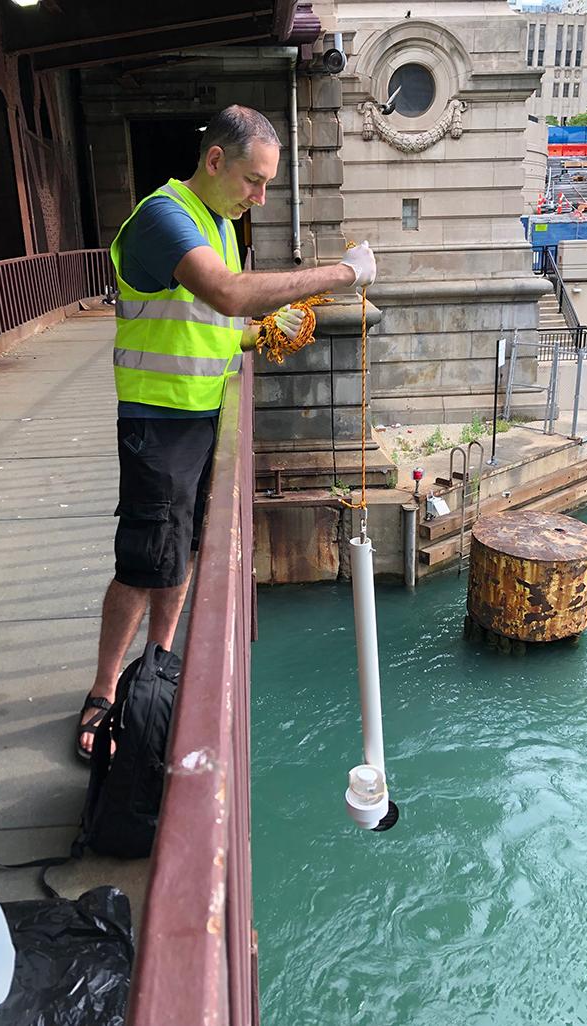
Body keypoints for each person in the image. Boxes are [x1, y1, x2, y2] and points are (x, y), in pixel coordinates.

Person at [76, 103, 377, 759]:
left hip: (203, 415)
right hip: (157, 424)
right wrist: (345, 274)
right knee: (140, 564)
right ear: (215, 160)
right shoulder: (163, 216)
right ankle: (102, 692)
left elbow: (214, 322)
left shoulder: (218, 222)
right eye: (253, 180)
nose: (260, 196)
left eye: (267, 184)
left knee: (179, 553)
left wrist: (256, 336)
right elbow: (229, 294)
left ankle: (156, 666)